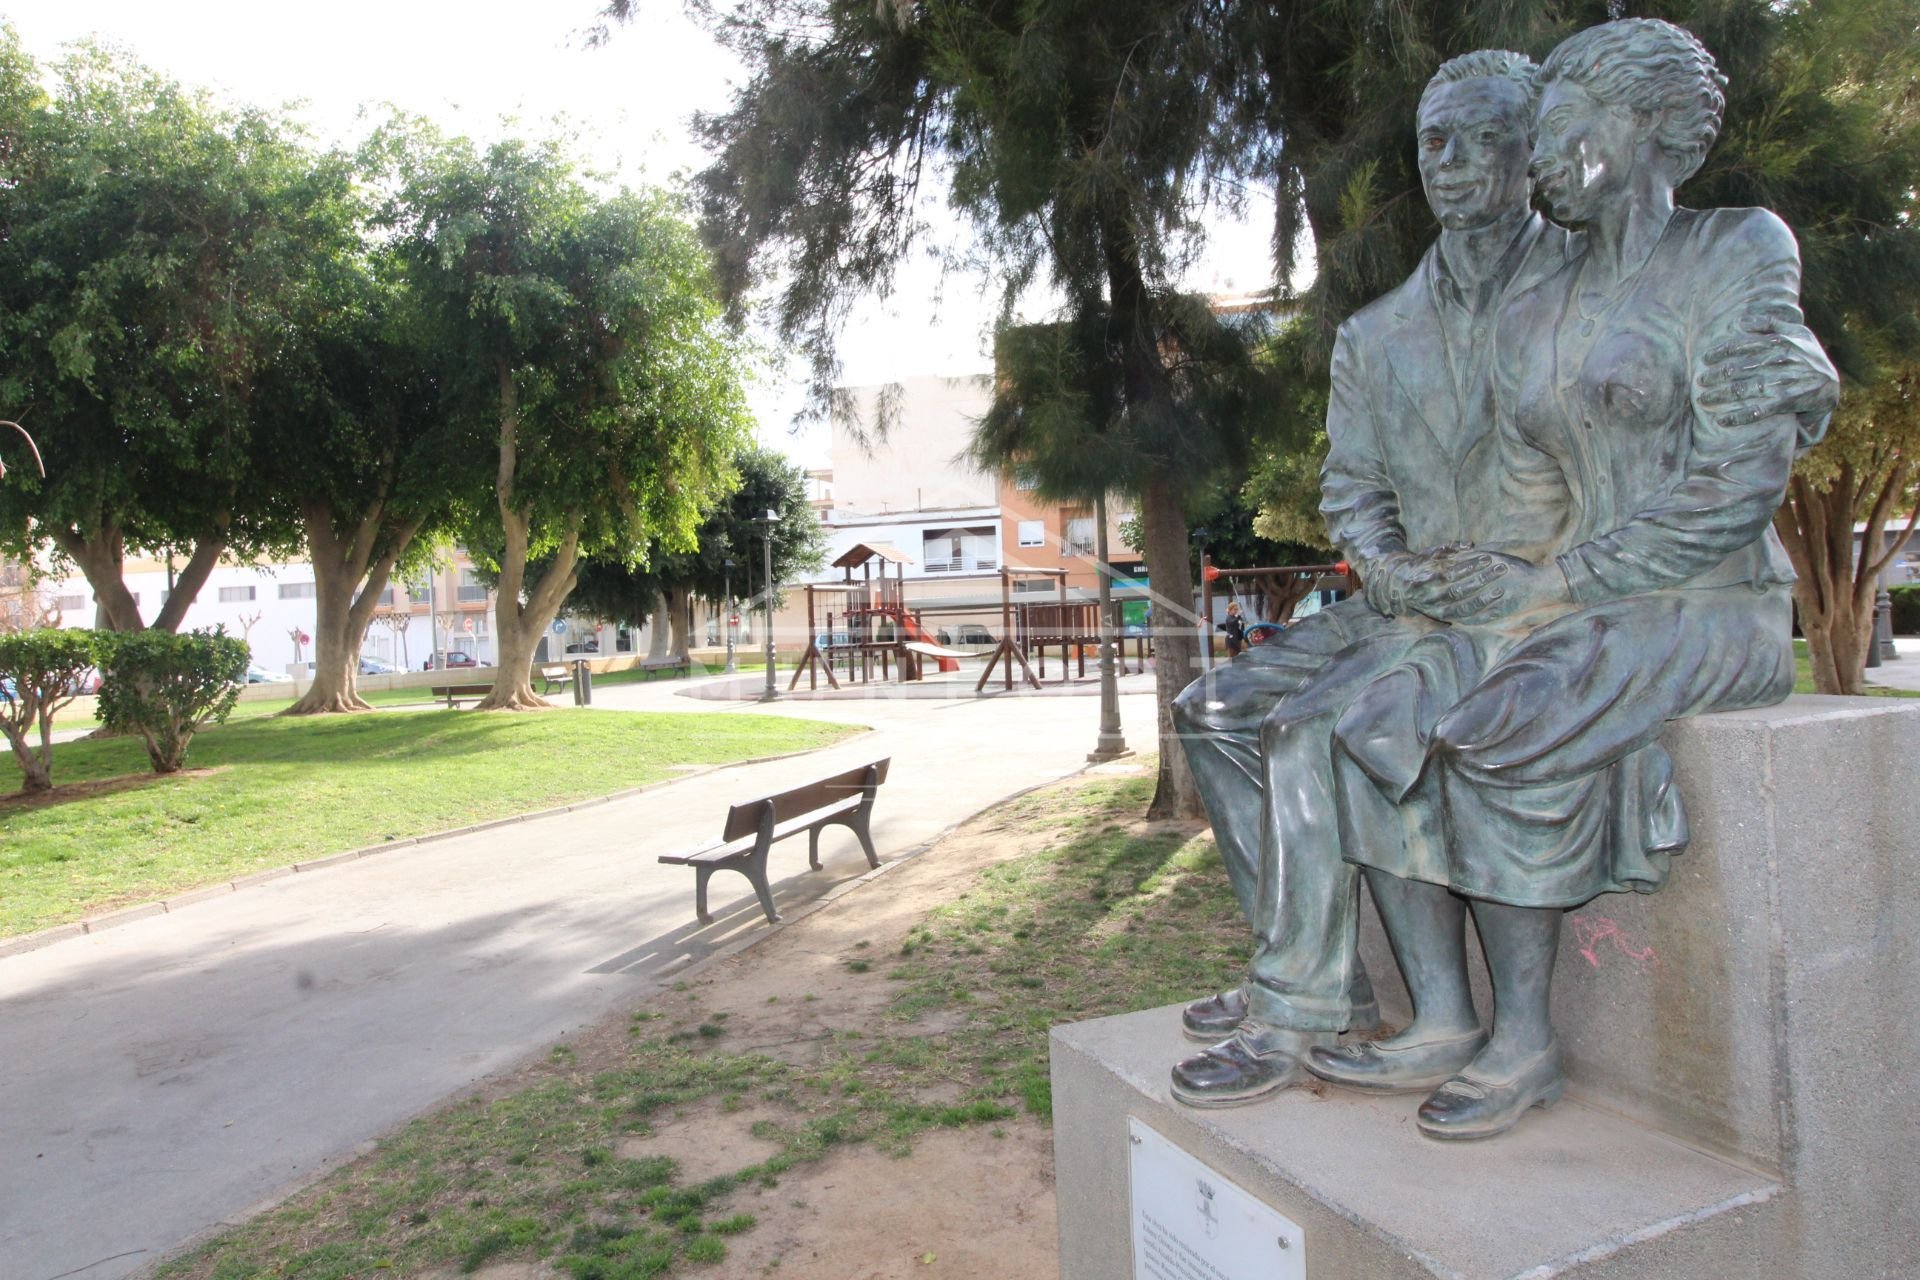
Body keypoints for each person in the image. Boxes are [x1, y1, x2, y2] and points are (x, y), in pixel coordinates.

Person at [1165, 46, 1836, 1109]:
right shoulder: (1468, 317)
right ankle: (1349, 991)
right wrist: (1412, 571)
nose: (1461, 164)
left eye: (1502, 138)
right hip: (1493, 587)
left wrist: (1539, 583)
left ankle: (1441, 1023)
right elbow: (1379, 480)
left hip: (1634, 591)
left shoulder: (1672, 257)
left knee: (1407, 724)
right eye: (1437, 141)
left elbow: (1714, 473)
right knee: (1269, 714)